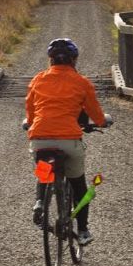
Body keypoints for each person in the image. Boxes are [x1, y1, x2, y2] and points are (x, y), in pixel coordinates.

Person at [24, 38, 111, 246]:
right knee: (78, 184)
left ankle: (39, 202)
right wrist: (102, 122)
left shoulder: (38, 79)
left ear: (50, 60)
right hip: (68, 139)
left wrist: (30, 123)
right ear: (74, 60)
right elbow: (95, 114)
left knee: (44, 169)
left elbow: (31, 109)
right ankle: (82, 231)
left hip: (39, 138)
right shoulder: (82, 82)